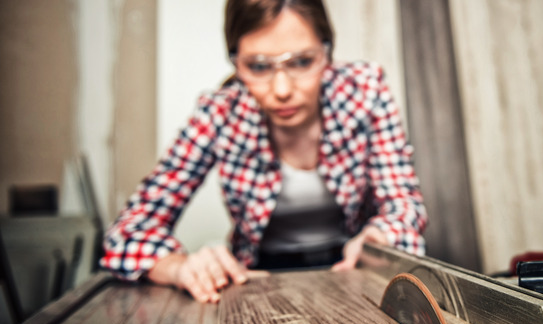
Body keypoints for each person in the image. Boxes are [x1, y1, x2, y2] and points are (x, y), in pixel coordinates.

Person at [101, 0, 427, 303]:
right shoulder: (220, 113)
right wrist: (178, 267)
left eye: (302, 61)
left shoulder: (365, 91)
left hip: (355, 269)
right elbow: (129, 233)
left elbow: (403, 204)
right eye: (258, 66)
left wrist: (381, 235)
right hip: (256, 281)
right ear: (236, 62)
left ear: (327, 53)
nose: (282, 90)